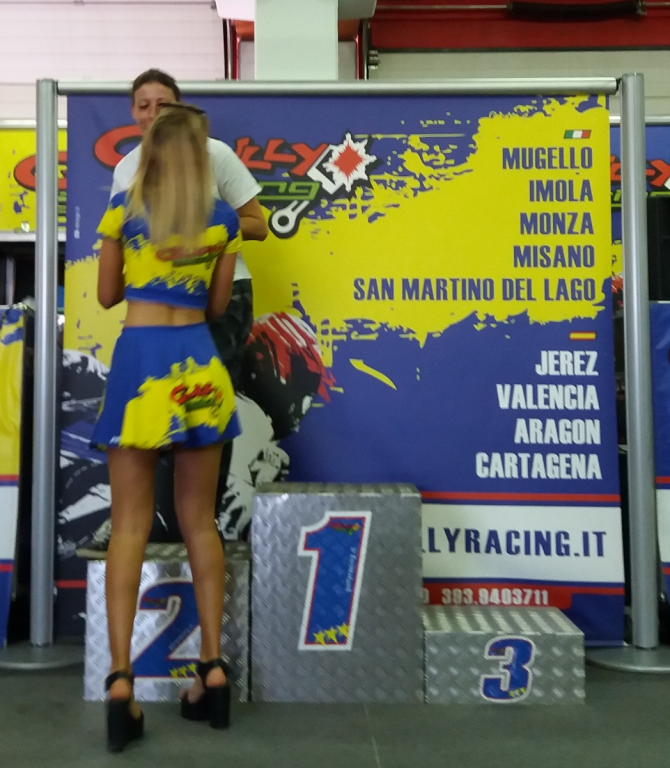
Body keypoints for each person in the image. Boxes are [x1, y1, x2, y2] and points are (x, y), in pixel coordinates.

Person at [93, 104, 241, 752]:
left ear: (150, 152)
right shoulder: (223, 221)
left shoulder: (122, 213)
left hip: (140, 365)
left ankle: (120, 679)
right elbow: (217, 304)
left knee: (128, 525)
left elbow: (106, 296)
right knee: (200, 522)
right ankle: (212, 668)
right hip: (200, 365)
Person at [81, 68, 268, 555]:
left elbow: (259, 223)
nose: (153, 113)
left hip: (220, 294)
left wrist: (197, 228)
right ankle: (154, 519)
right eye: (143, 104)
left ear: (178, 108)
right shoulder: (127, 169)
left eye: (162, 104)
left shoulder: (217, 155)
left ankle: (203, 519)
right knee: (150, 420)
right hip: (155, 308)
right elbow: (119, 267)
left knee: (206, 415)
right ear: (132, 112)